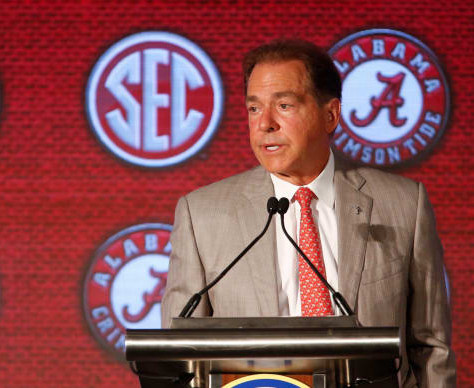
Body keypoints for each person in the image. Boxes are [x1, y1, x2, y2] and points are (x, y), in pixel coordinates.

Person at [160, 39, 455, 387]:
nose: (265, 124)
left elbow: (430, 347)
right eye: (254, 108)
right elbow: (178, 356)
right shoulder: (203, 214)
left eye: (283, 105)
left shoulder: (404, 204)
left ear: (330, 115)